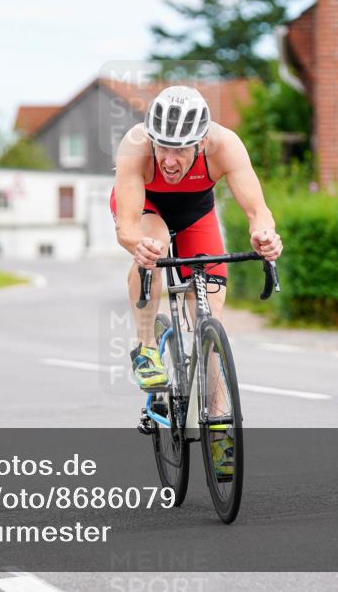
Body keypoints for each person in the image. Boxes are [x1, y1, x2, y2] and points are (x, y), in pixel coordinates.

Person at [110, 85, 282, 477]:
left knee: (211, 322)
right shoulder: (136, 146)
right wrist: (139, 247)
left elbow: (259, 213)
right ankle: (145, 347)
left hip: (195, 212)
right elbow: (127, 227)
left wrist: (265, 237)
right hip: (145, 209)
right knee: (152, 244)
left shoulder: (226, 145)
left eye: (180, 149)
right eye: (162, 147)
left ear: (201, 142)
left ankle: (220, 426)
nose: (169, 160)